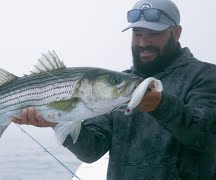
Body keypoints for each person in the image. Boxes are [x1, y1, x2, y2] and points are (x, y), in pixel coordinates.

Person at [11, 0, 216, 179]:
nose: (143, 42)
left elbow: (207, 135)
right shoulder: (117, 86)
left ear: (176, 32)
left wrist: (161, 105)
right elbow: (92, 150)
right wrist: (58, 119)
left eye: (154, 34)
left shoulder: (205, 76)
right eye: (137, 33)